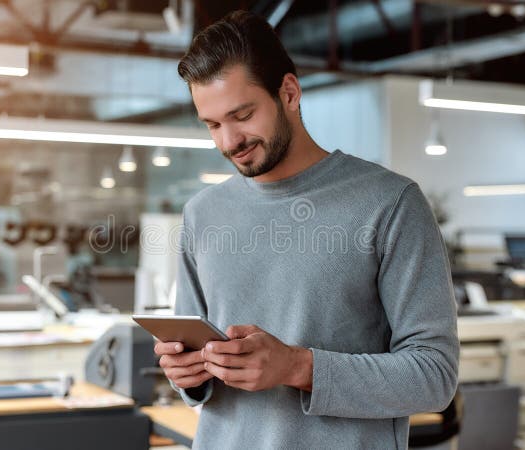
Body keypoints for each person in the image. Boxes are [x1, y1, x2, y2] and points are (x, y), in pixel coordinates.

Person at [154, 10, 459, 449]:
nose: (228, 141)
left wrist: (298, 367)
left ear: (290, 93)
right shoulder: (203, 213)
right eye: (213, 124)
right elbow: (197, 369)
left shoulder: (390, 204)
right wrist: (188, 375)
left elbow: (435, 376)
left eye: (242, 115)